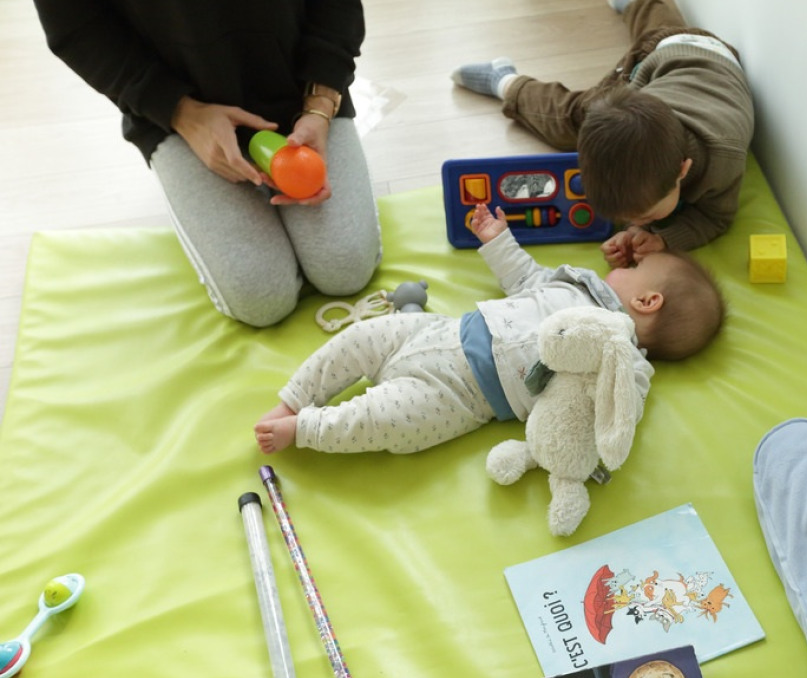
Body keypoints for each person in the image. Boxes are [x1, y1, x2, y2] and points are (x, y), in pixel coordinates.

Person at [254, 204, 725, 455]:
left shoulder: (623, 359)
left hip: (463, 396)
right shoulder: (575, 283)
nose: (622, 264)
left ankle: (307, 429)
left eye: (636, 266)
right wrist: (497, 240)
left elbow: (619, 410)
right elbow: (525, 277)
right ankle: (293, 397)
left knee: (385, 422)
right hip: (441, 330)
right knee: (360, 339)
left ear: (647, 300)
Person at [32, 0, 382, 327]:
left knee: (345, 268)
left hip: (301, 83)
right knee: (261, 298)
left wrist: (321, 101)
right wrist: (180, 112)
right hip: (178, 105)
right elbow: (76, 27)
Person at [451, 0, 754, 268]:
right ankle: (506, 81)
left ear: (682, 170)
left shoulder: (722, 162)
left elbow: (716, 218)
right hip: (660, 60)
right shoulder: (648, 109)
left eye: (646, 217)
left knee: (659, 32)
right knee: (579, 117)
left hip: (712, 56)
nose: (636, 225)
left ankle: (507, 80)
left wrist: (663, 239)